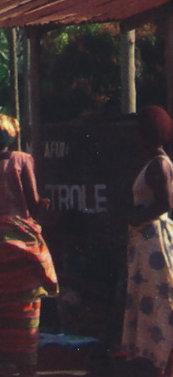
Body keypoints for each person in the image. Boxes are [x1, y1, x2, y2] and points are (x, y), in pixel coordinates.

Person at [0, 113, 57, 377]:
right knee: (24, 315)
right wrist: (44, 206)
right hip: (18, 253)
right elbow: (33, 204)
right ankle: (26, 369)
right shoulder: (21, 161)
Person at [121, 104, 173, 374]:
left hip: (154, 244)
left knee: (159, 306)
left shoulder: (158, 166)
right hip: (147, 244)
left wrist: (136, 217)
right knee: (154, 306)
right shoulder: (155, 163)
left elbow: (164, 204)